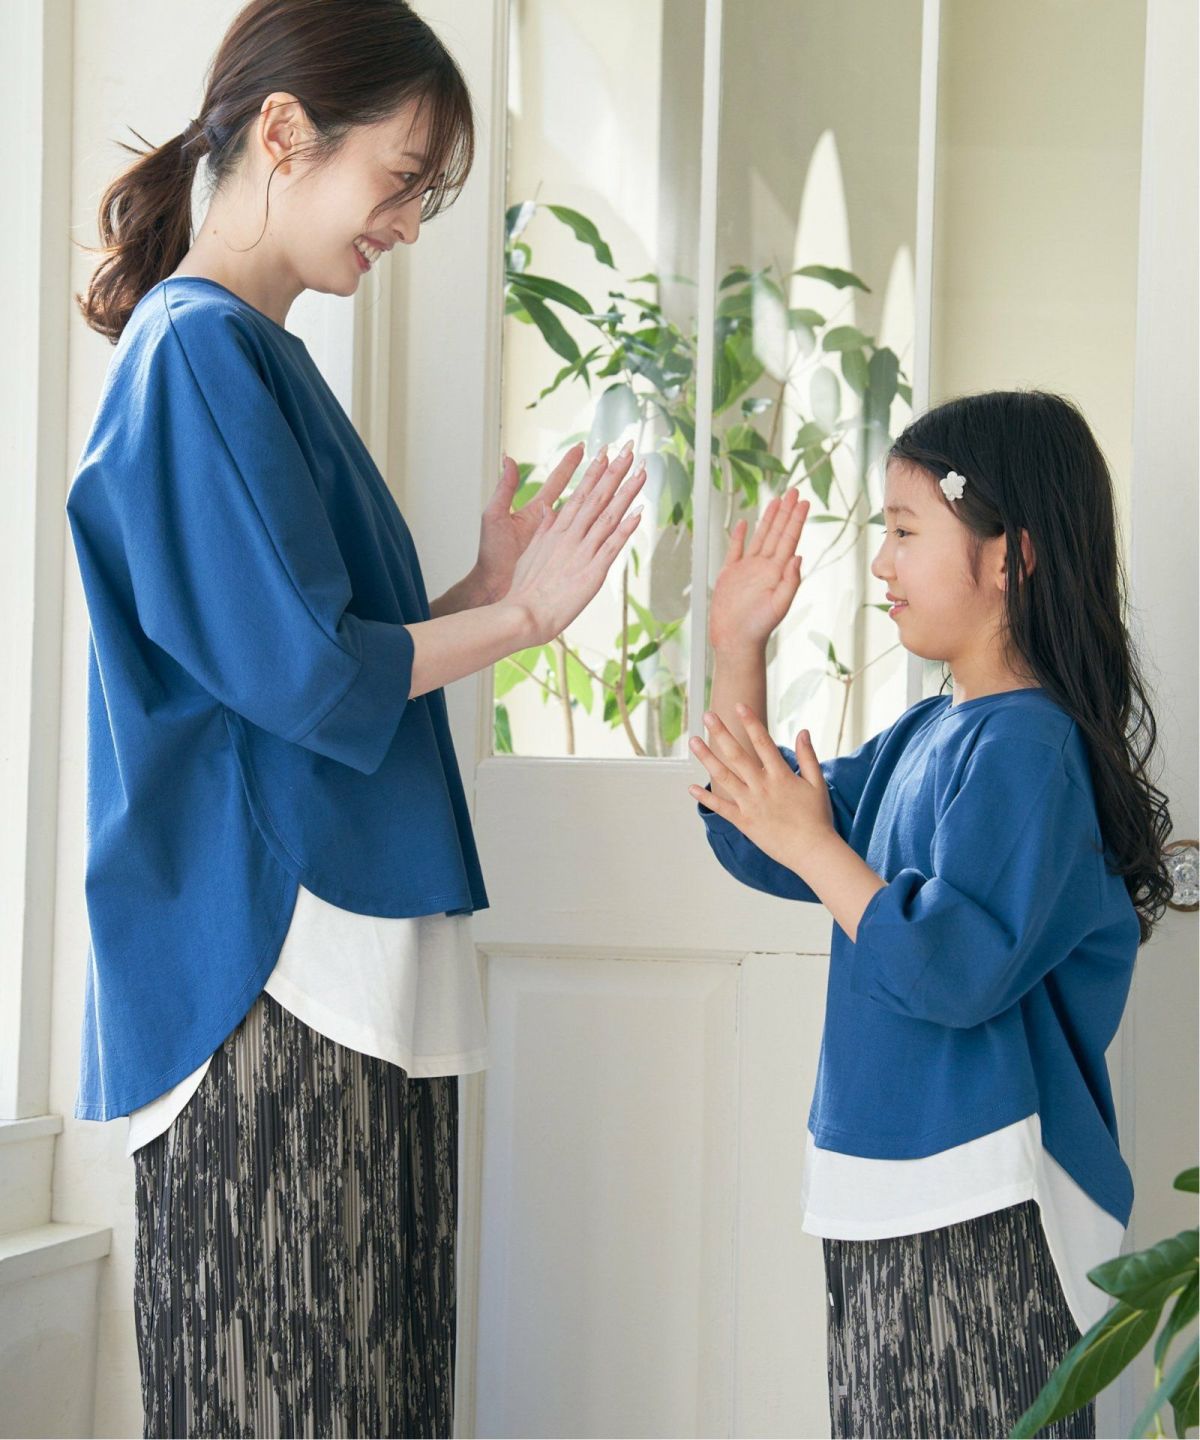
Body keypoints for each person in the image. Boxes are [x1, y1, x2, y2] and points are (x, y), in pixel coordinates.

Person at [66, 2, 645, 1434]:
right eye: (400, 178)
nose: (406, 223)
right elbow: (312, 679)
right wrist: (523, 619)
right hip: (278, 970)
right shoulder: (201, 352)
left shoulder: (246, 357)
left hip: (324, 968)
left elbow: (305, 658)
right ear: (284, 134)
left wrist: (475, 593)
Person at [688, 389, 1172, 1439]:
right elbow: (754, 832)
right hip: (881, 1185)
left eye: (906, 532)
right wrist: (736, 652)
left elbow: (954, 969)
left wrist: (818, 845)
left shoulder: (1029, 750)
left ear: (1010, 559)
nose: (881, 564)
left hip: (980, 1201)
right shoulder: (927, 735)